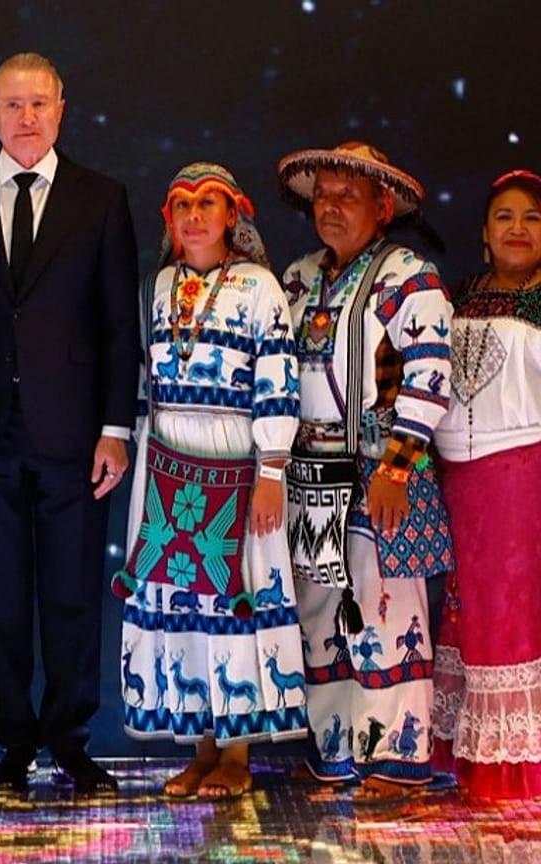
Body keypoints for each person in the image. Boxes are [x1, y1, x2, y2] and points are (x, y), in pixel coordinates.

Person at [0, 52, 139, 795]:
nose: (26, 117)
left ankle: (71, 741)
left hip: (76, 438)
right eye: (13, 104)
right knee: (2, 598)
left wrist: (116, 427)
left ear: (61, 108)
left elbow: (119, 325)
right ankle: (15, 743)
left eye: (39, 103)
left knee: (73, 595)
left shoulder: (101, 197)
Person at [113, 163, 309, 799]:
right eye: (182, 205)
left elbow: (278, 376)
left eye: (208, 204)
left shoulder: (258, 287)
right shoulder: (157, 287)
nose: (194, 217)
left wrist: (271, 468)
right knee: (181, 601)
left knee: (234, 594)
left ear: (232, 215)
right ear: (168, 219)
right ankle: (200, 749)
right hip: (168, 462)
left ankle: (237, 755)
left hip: (237, 459)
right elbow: (142, 378)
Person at [278, 141, 453, 802]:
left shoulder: (409, 276)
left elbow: (431, 373)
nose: (330, 206)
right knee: (321, 614)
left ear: (382, 207)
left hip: (381, 470)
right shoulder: (298, 280)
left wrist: (398, 467)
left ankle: (395, 763)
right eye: (322, 195)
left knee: (383, 609)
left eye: (346, 196)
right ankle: (335, 756)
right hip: (310, 473)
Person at [431, 168, 541, 800]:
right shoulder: (461, 294)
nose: (517, 228)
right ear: (483, 232)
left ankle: (515, 767)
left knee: (510, 613)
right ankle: (472, 753)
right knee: (468, 612)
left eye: (531, 217)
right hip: (460, 482)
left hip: (520, 476)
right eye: (504, 216)